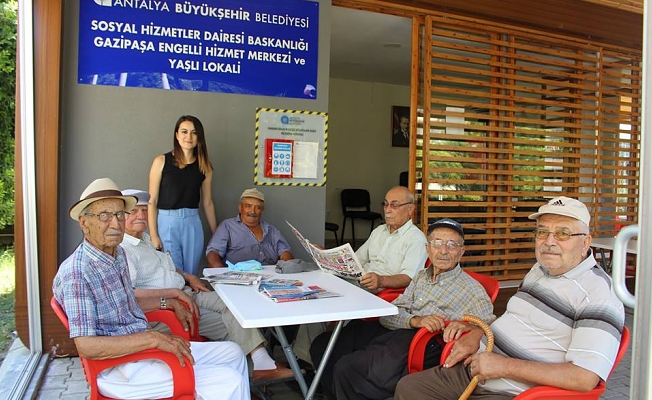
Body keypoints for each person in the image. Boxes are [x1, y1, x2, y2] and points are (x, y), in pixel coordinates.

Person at [394, 196, 625, 399]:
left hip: (513, 392)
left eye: (563, 233)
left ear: (585, 242)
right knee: (409, 388)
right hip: (476, 368)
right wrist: (477, 332)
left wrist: (503, 366)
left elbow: (584, 378)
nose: (549, 241)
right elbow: (513, 320)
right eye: (542, 232)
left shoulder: (598, 294)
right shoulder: (539, 270)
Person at [53, 178, 249, 399]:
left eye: (119, 214)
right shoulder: (77, 273)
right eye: (104, 216)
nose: (116, 224)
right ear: (84, 222)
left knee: (233, 353)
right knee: (230, 381)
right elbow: (87, 346)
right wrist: (153, 339)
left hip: (143, 351)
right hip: (120, 369)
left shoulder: (117, 254)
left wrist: (167, 302)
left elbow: (127, 301)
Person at [309, 219, 494, 400]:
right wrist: (415, 320)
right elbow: (396, 308)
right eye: (437, 243)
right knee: (322, 346)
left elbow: (489, 325)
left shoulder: (472, 290)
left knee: (348, 369)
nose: (444, 250)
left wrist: (470, 327)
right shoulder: (422, 276)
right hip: (399, 325)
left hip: (417, 341)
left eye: (452, 245)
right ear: (428, 249)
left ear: (461, 252)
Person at [119, 189, 293, 381]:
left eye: (144, 210)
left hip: (187, 292)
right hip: (168, 306)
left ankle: (259, 367)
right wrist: (173, 293)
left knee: (235, 304)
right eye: (134, 211)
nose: (141, 216)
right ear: (121, 216)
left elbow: (164, 269)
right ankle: (257, 368)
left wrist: (188, 276)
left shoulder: (144, 239)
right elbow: (130, 294)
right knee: (233, 324)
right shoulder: (124, 250)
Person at [293, 186, 428, 363]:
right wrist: (327, 254)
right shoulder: (379, 231)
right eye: (385, 204)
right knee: (318, 293)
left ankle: (317, 359)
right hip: (359, 280)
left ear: (410, 209)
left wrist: (381, 280)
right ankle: (304, 359)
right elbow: (355, 259)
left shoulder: (416, 239)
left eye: (394, 205)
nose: (388, 210)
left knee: (325, 301)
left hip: (380, 289)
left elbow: (410, 278)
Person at [148, 115, 217, 277]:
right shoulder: (161, 161)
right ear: (177, 135)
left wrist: (217, 234)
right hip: (167, 222)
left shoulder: (205, 166)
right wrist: (153, 234)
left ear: (199, 137)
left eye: (194, 132)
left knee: (192, 273)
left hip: (192, 223)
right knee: (173, 273)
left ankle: (191, 295)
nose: (189, 137)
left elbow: (207, 202)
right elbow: (152, 201)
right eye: (184, 132)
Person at [206, 188, 294, 267]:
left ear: (262, 210)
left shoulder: (271, 229)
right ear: (240, 207)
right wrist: (221, 274)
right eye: (248, 206)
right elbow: (213, 253)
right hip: (237, 275)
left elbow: (285, 252)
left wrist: (286, 269)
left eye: (257, 208)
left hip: (271, 275)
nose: (252, 211)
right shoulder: (227, 226)